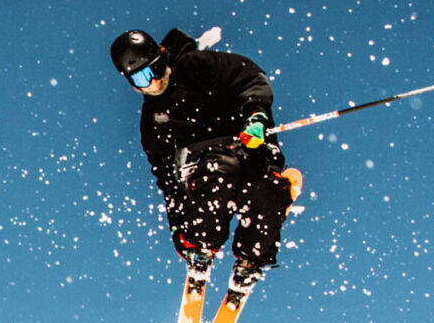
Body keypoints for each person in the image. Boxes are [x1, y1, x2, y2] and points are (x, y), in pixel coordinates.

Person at [110, 27, 298, 293]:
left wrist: (255, 115)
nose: (152, 82)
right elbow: (167, 181)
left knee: (264, 190)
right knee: (221, 171)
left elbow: (249, 77)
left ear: (163, 57)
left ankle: (250, 260)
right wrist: (179, 231)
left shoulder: (196, 66)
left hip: (245, 145)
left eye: (155, 69)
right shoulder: (152, 122)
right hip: (202, 168)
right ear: (131, 83)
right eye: (140, 79)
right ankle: (201, 244)